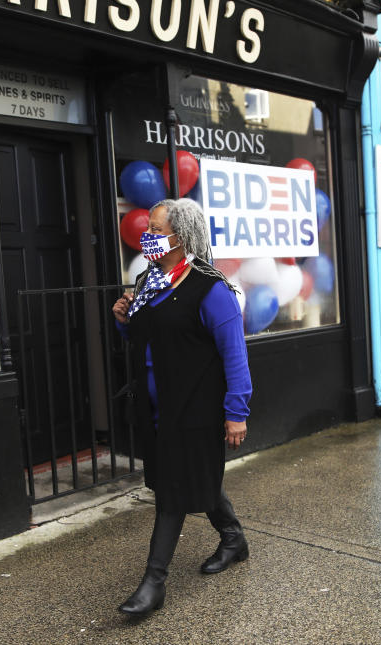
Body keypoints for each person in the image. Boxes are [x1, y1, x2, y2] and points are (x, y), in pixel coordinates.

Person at [111, 197, 252, 616]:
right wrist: (124, 320)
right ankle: (233, 537)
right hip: (158, 407)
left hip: (196, 407)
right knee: (190, 475)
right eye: (148, 229)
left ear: (181, 236)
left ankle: (154, 583)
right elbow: (146, 339)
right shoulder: (150, 281)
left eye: (156, 230)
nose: (148, 236)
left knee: (172, 492)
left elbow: (235, 355)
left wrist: (236, 412)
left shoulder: (211, 289)